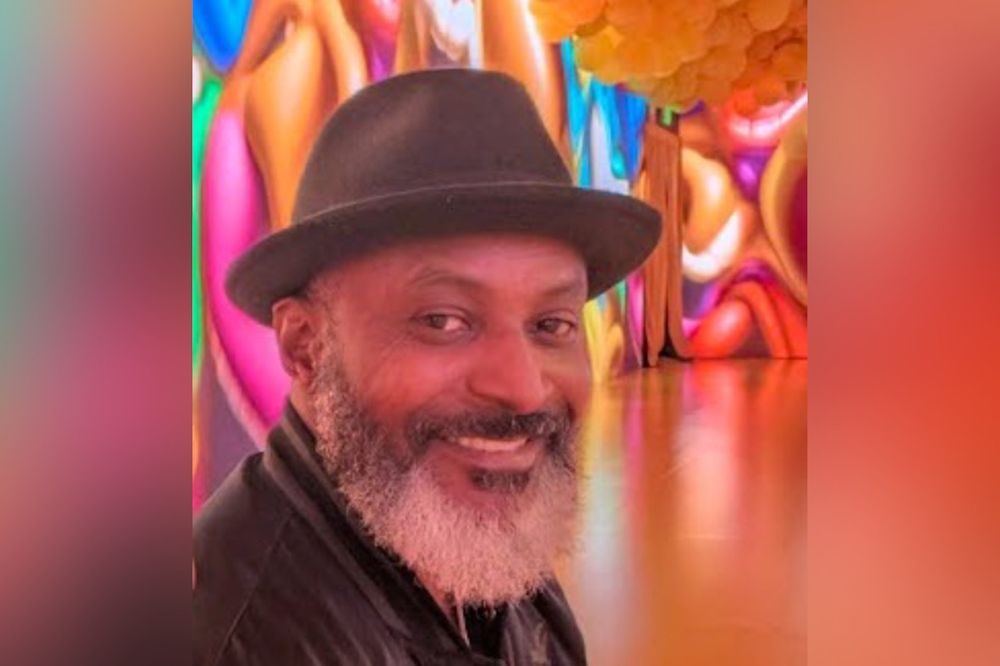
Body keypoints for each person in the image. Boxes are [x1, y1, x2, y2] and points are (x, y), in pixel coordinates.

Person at [193, 68, 660, 665]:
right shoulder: (236, 639)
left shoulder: (484, 561)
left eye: (552, 325)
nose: (522, 388)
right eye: (443, 320)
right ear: (306, 345)